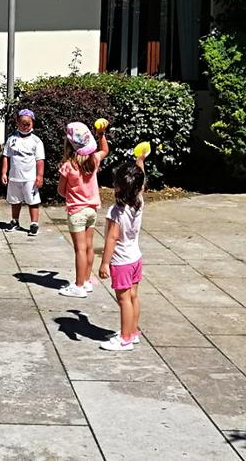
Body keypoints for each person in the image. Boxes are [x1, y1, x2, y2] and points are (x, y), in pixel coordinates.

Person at [98, 144, 148, 352]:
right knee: (133, 296)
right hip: (135, 257)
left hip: (121, 261)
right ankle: (133, 331)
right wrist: (140, 162)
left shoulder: (116, 211)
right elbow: (141, 182)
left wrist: (105, 263)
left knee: (123, 299)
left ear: (118, 186)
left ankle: (125, 338)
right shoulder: (138, 201)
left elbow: (111, 238)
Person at [57, 121, 109, 298]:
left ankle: (78, 286)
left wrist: (70, 193)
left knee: (79, 249)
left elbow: (60, 191)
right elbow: (105, 150)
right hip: (92, 210)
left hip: (76, 212)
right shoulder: (94, 160)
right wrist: (101, 134)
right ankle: (86, 281)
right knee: (88, 247)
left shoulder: (68, 166)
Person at [1, 108, 45, 235]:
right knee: (15, 200)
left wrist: (39, 176)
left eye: (28, 124)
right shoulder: (11, 139)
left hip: (30, 178)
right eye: (22, 123)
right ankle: (15, 221)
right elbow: (6, 156)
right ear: (17, 122)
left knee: (33, 201)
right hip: (14, 177)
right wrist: (4, 173)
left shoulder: (36, 141)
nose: (25, 126)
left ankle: (34, 223)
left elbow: (40, 160)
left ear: (32, 123)